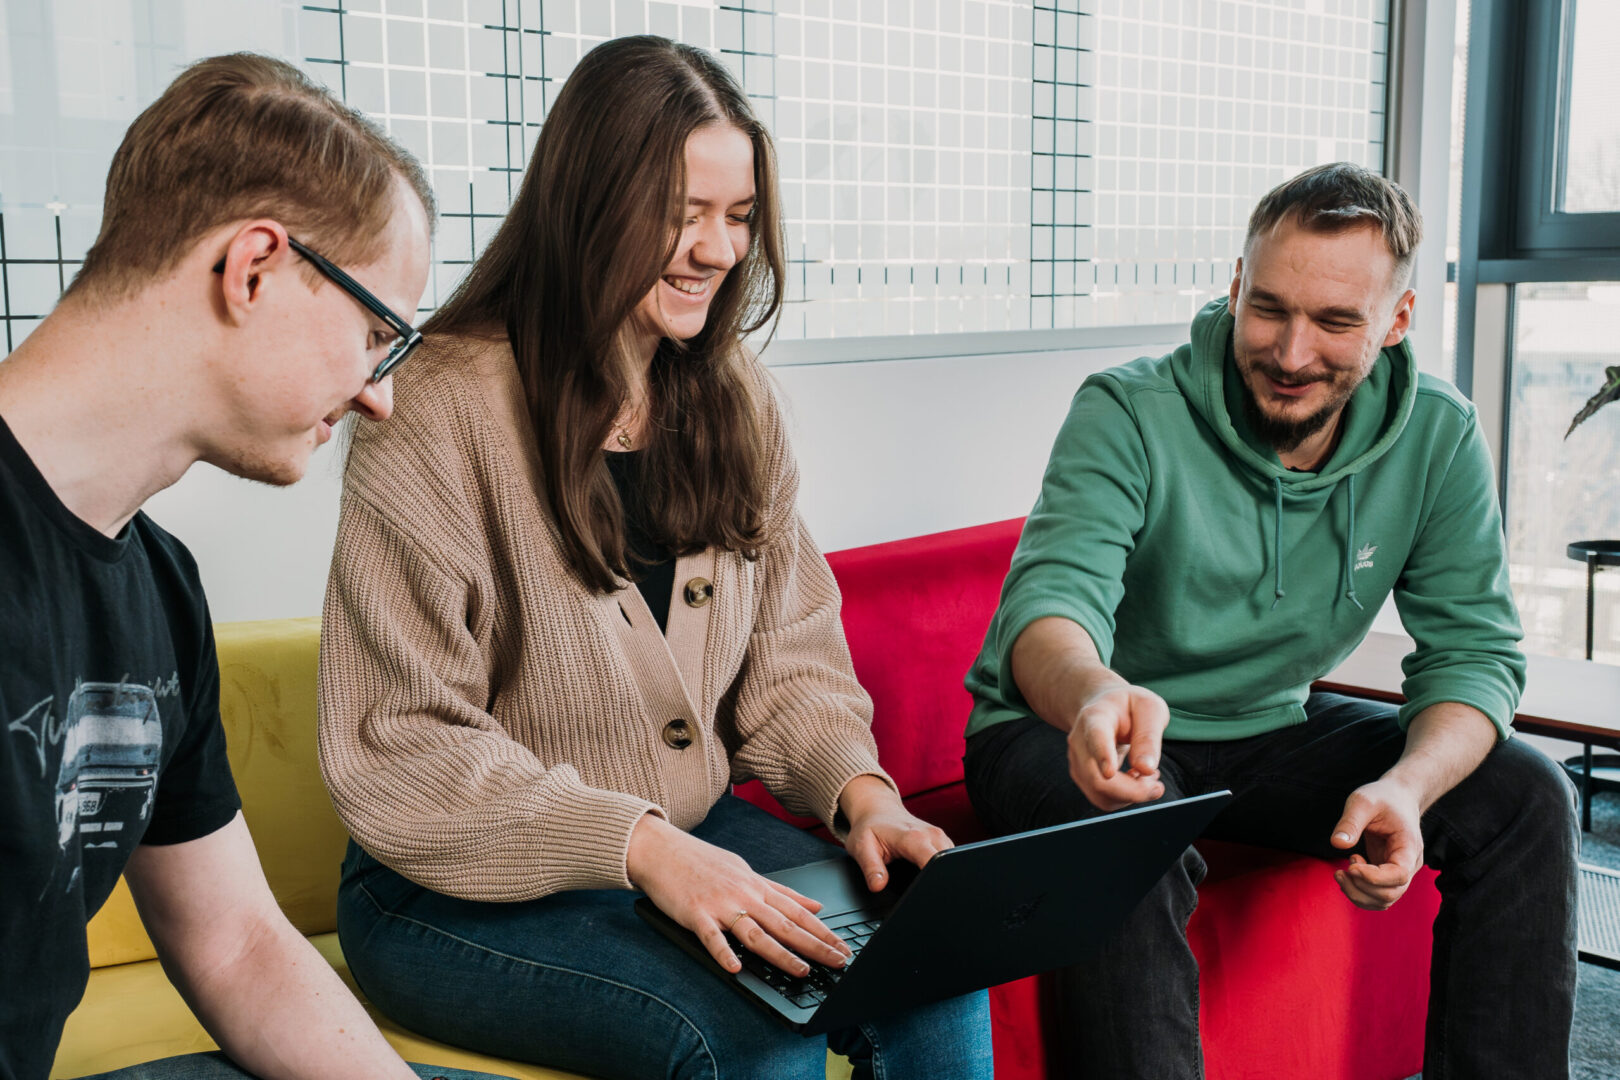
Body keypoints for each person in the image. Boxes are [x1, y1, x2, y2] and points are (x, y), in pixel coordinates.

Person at [316, 34, 994, 1080]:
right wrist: (640, 848)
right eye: (684, 214)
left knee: (938, 967)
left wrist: (866, 799)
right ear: (587, 203)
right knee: (749, 1034)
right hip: (445, 892)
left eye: (738, 218)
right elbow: (405, 745)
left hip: (684, 844)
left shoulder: (733, 400)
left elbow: (792, 667)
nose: (717, 251)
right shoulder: (436, 409)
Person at [962, 162, 1579, 1079]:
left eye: (1335, 323)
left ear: (1396, 323)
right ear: (1238, 284)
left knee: (1529, 796)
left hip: (1268, 731)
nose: (1291, 354)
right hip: (1069, 731)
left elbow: (1474, 654)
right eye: (1270, 309)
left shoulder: (1437, 436)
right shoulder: (1129, 410)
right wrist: (1095, 694)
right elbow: (1052, 611)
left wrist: (1408, 789)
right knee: (1135, 827)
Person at [0, 52, 507, 1080]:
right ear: (255, 268)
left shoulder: (160, 590)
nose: (379, 395)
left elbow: (233, 944)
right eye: (376, 333)